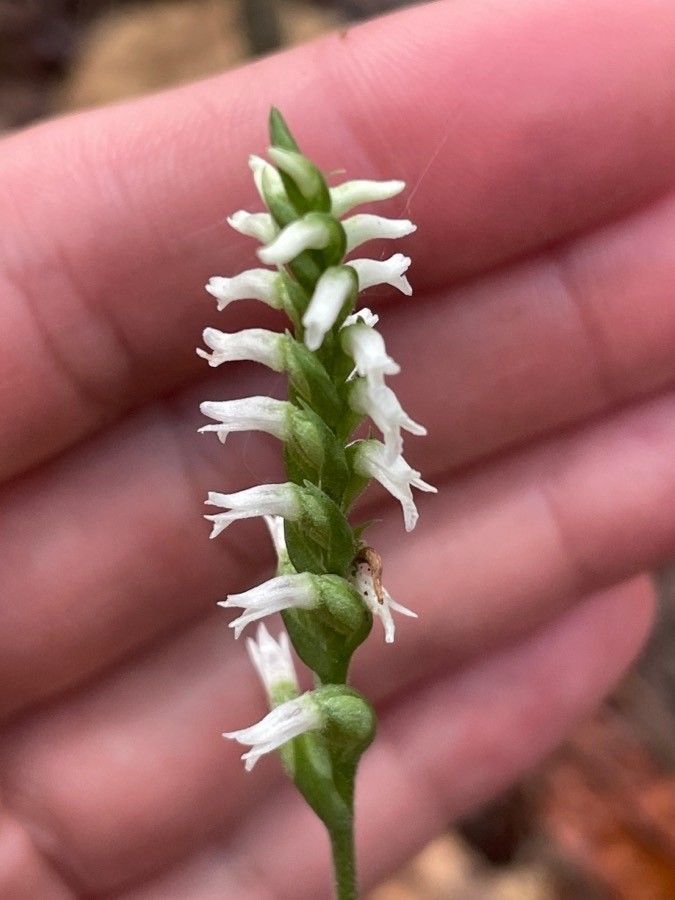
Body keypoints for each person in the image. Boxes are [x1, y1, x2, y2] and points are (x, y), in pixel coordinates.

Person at [1, 0, 674, 896]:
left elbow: (346, 435)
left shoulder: (342, 364)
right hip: (314, 546)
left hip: (324, 528)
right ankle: (301, 688)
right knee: (309, 582)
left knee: (319, 589)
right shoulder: (308, 366)